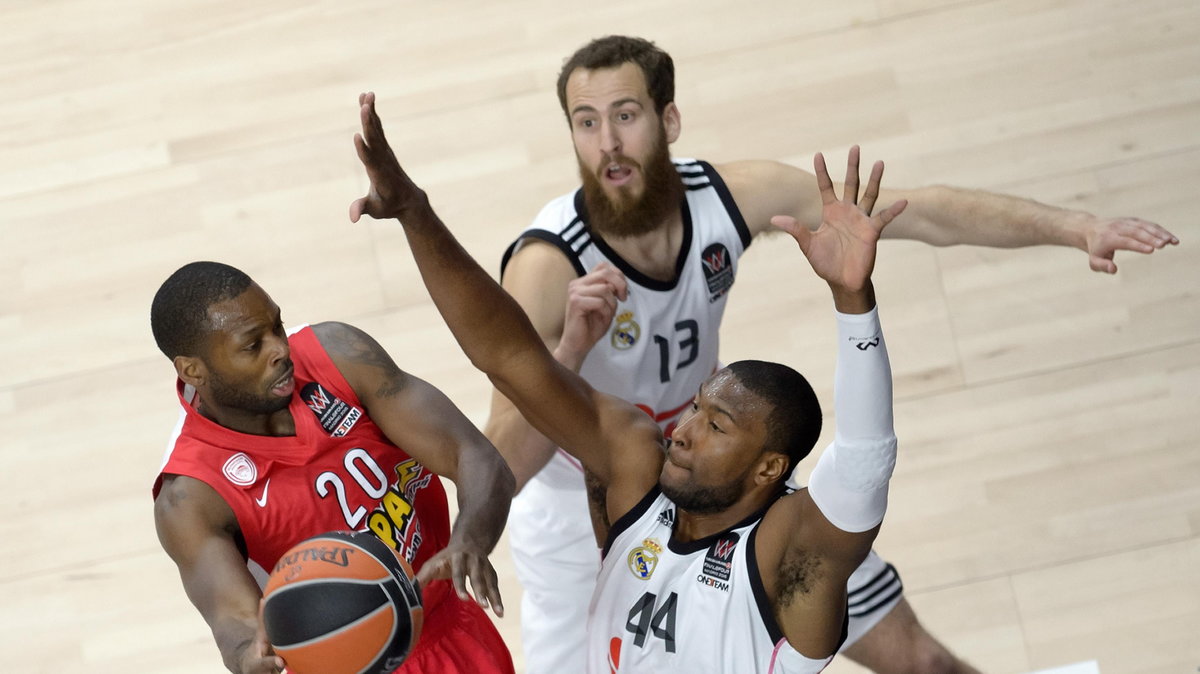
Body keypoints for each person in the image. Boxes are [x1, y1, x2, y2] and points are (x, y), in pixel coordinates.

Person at [486, 35, 1180, 674]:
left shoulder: (726, 197)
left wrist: (1076, 226)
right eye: (586, 121)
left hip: (718, 477)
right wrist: (570, 351)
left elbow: (920, 211)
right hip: (590, 511)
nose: (607, 141)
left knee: (923, 662)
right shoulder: (549, 266)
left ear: (669, 122)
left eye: (626, 114)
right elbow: (505, 462)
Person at [350, 89, 910, 672]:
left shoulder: (788, 554)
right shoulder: (636, 471)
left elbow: (866, 457)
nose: (685, 431)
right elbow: (508, 357)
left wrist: (853, 301)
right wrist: (415, 211)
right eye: (696, 410)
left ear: (769, 467)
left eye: (716, 425)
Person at [150, 262, 516, 674]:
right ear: (192, 370)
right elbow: (234, 623)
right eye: (252, 346)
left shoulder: (339, 357)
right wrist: (247, 658)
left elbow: (477, 458)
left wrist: (468, 540)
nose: (280, 350)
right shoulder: (191, 495)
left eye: (277, 326)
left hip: (450, 625)